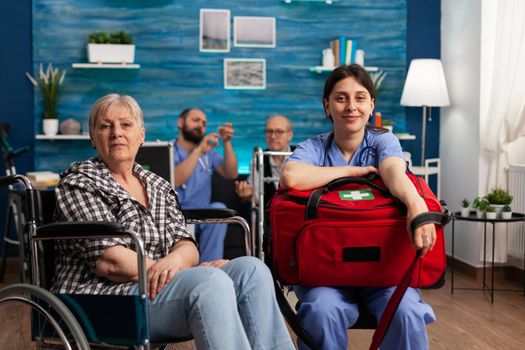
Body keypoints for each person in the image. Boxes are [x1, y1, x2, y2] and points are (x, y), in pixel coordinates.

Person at [52, 94, 294, 350]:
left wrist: (178, 263)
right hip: (104, 300)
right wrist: (186, 271)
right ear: (92, 137)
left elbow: (186, 245)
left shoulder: (157, 184)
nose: (116, 133)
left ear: (141, 135)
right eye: (105, 126)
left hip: (154, 287)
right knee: (211, 282)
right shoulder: (80, 182)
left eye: (125, 125)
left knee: (252, 270)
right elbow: (111, 262)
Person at [280, 64, 437, 350]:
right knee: (320, 311)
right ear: (327, 105)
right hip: (325, 272)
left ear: (371, 104)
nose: (351, 106)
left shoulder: (383, 141)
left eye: (360, 97)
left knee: (407, 311)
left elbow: (393, 173)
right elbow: (291, 176)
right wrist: (354, 172)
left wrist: (417, 206)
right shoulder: (314, 147)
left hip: (383, 270)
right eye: (341, 98)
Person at [173, 108, 238, 262]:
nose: (200, 126)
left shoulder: (209, 153)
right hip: (174, 215)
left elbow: (231, 173)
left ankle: (210, 265)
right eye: (195, 120)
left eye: (203, 123)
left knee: (219, 209)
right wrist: (199, 150)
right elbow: (175, 179)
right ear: (181, 123)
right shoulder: (169, 149)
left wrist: (226, 143)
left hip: (201, 215)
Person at [235, 114, 294, 207]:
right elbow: (258, 198)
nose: (273, 136)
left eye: (279, 132)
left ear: (290, 135)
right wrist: (248, 194)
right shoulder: (258, 159)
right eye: (269, 131)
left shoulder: (301, 155)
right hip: (270, 215)